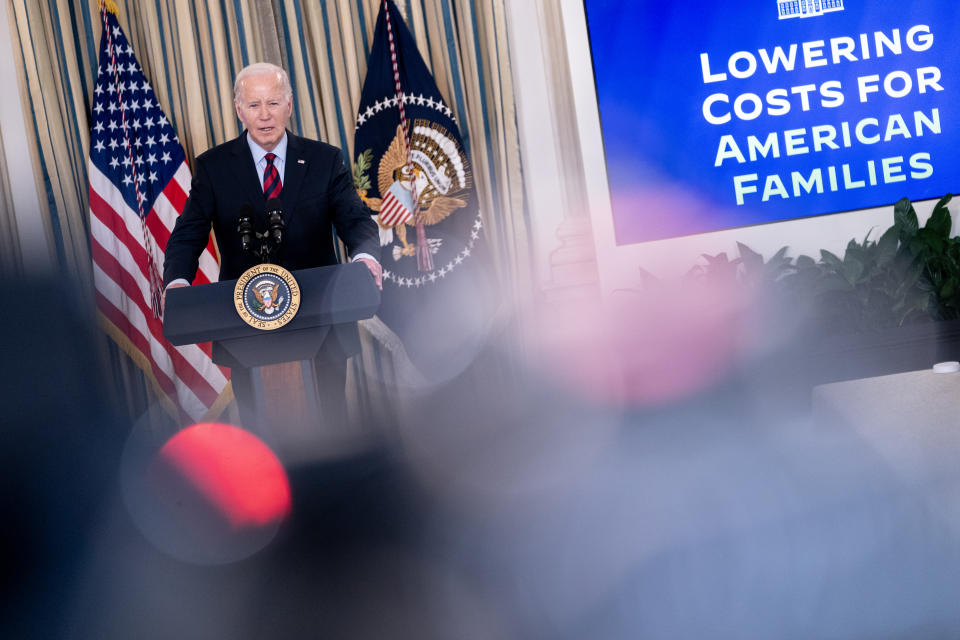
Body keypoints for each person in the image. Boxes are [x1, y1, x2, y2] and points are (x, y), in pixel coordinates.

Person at [163, 62, 381, 430]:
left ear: (289, 105)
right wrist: (177, 282)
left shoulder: (323, 160)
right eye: (254, 105)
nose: (265, 115)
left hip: (322, 320)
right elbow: (188, 232)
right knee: (261, 435)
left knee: (332, 429)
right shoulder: (214, 167)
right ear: (238, 109)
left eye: (274, 103)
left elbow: (355, 220)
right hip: (245, 328)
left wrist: (365, 256)